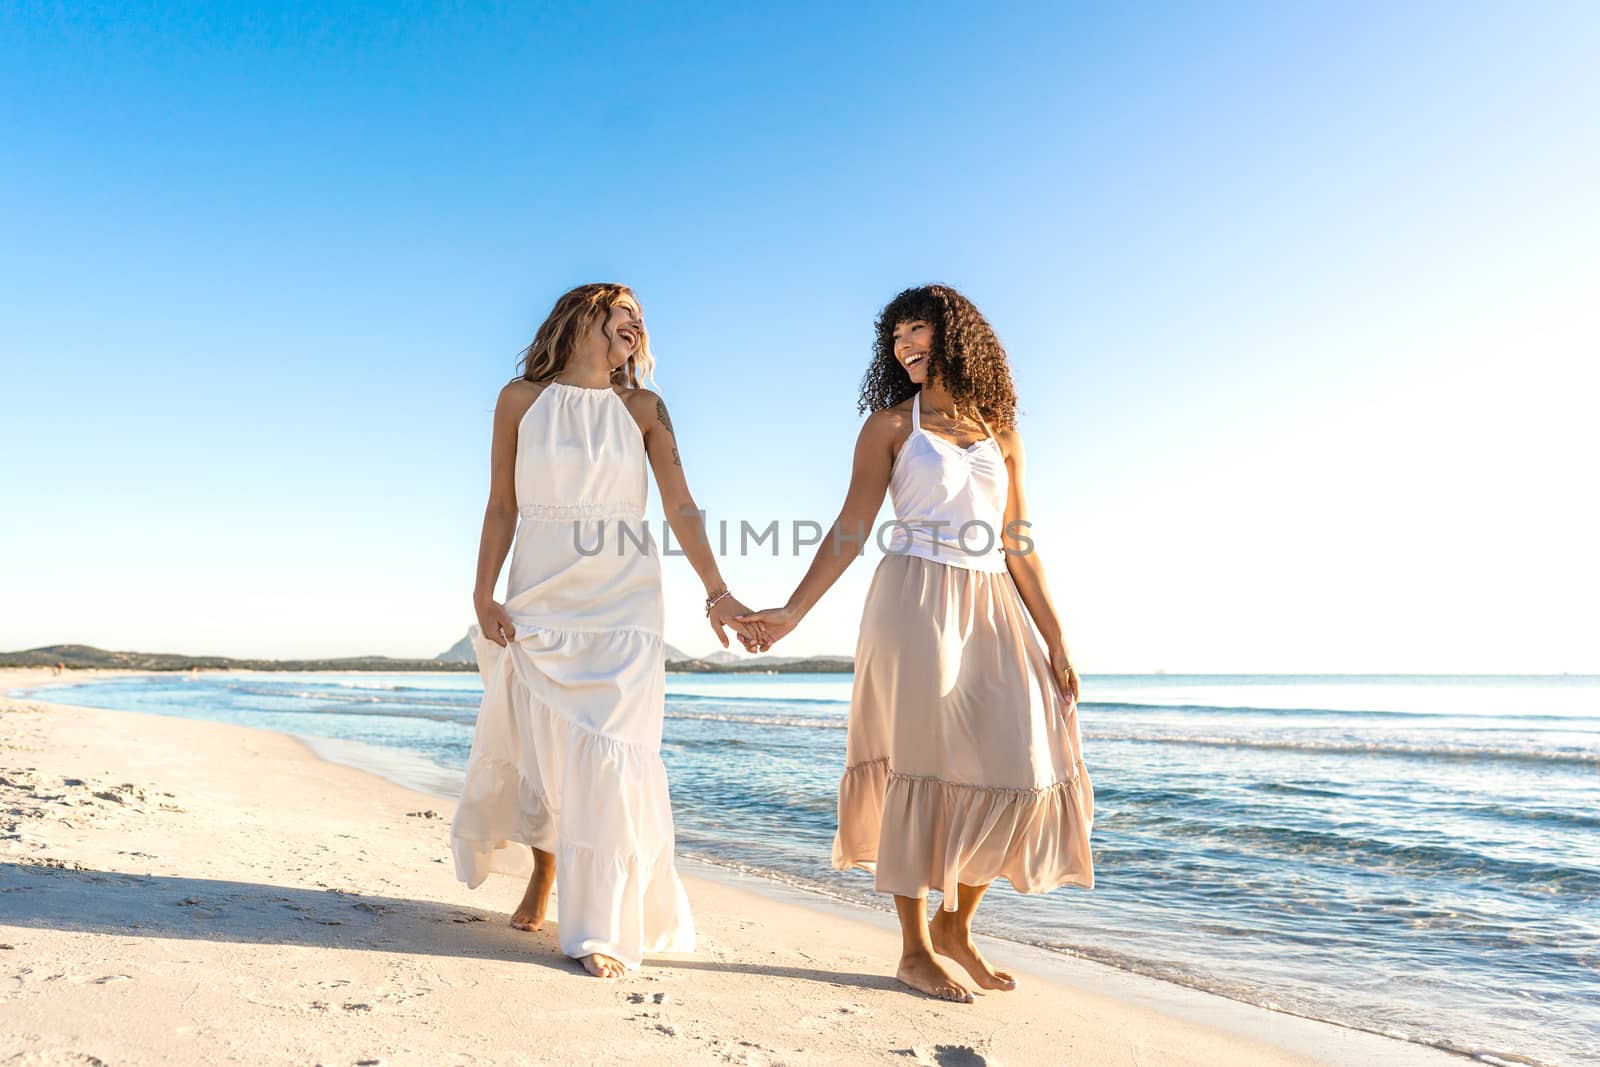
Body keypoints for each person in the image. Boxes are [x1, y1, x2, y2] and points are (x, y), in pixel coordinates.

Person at [739, 284, 1093, 1002]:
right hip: (913, 600)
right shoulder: (889, 428)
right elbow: (849, 529)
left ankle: (958, 923)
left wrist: (1055, 637)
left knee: (1022, 767)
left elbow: (1019, 543)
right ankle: (914, 948)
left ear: (956, 336)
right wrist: (792, 611)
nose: (903, 347)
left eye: (916, 330)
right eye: (895, 337)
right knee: (918, 766)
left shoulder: (1002, 432)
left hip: (993, 603)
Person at [451, 283, 762, 978]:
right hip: (541, 587)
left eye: (641, 319)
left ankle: (598, 924)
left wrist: (717, 592)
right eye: (624, 311)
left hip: (624, 599)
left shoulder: (645, 408)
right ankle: (544, 874)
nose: (635, 324)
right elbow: (501, 504)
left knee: (613, 751)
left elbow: (680, 502)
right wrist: (482, 591)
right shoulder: (519, 400)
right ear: (582, 316)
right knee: (549, 745)